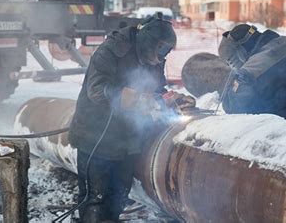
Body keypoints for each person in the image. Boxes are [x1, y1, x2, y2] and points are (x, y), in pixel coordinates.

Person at [69, 13, 195, 222]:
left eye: (167, 52)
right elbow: (96, 90)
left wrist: (169, 98)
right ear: (149, 42)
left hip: (127, 141)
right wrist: (132, 98)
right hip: (96, 136)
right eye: (161, 50)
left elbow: (156, 88)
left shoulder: (154, 59)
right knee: (96, 201)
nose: (162, 57)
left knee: (118, 198)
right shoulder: (110, 51)